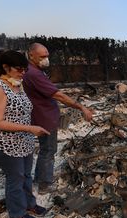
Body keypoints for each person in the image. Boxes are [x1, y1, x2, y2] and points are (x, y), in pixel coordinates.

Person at [0, 50, 50, 218]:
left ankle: (29, 204)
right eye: (19, 69)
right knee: (16, 177)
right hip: (4, 143)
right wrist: (30, 128)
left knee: (26, 174)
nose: (23, 73)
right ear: (5, 67)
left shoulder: (18, 84)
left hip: (23, 140)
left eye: (25, 69)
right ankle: (17, 212)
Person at [23, 43, 93, 194]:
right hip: (44, 118)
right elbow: (59, 95)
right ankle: (45, 184)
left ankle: (39, 178)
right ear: (31, 56)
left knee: (45, 150)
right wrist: (82, 107)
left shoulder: (35, 71)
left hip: (42, 116)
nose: (46, 59)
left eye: (47, 56)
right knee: (49, 150)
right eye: (42, 57)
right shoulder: (34, 74)